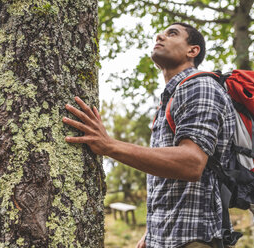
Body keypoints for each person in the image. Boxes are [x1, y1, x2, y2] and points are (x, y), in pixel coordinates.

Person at [62, 23, 235, 248]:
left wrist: (108, 146)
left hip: (193, 238)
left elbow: (191, 163)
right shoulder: (173, 95)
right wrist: (152, 232)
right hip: (167, 236)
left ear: (192, 51)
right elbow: (166, 177)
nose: (160, 35)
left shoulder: (200, 86)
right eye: (161, 32)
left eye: (172, 33)